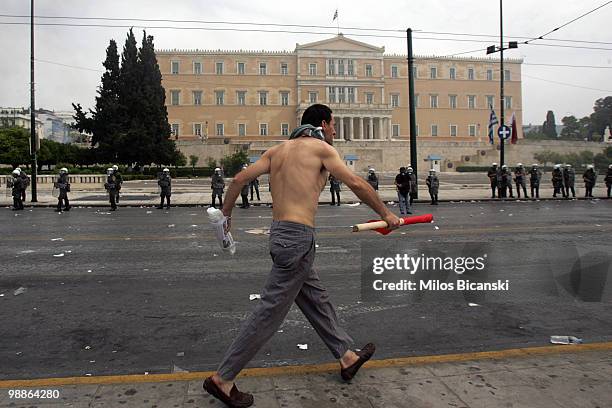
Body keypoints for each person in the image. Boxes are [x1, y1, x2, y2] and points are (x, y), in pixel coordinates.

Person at [202, 104, 401, 407]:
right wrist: (387, 214)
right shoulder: (321, 149)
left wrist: (226, 217)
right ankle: (223, 379)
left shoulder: (277, 151)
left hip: (280, 235)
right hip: (298, 238)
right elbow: (357, 184)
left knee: (315, 298)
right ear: (323, 123)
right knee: (269, 311)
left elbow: (239, 180)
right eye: (333, 126)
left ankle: (346, 356)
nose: (335, 131)